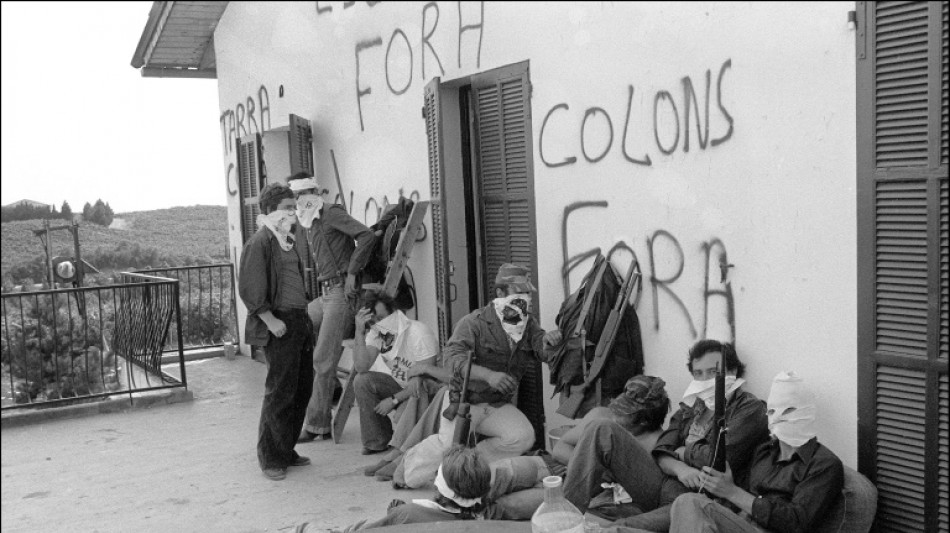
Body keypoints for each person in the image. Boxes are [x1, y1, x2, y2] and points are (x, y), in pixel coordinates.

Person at [564, 340, 769, 531]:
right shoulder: (692, 405)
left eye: (713, 372)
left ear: (732, 372)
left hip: (699, 498)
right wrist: (680, 468)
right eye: (698, 373)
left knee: (620, 527)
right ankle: (562, 514)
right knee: (602, 428)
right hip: (664, 483)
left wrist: (682, 452)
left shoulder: (749, 408)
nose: (705, 380)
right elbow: (661, 450)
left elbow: (715, 460)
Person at [400, 263, 562, 487]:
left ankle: (468, 467)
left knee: (522, 436)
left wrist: (551, 342)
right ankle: (406, 470)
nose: (525, 298)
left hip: (495, 404)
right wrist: (488, 375)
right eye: (518, 292)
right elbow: (452, 360)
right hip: (464, 401)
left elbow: (541, 348)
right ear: (500, 293)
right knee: (448, 446)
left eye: (527, 293)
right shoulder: (473, 323)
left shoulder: (525, 323)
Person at [668, 371, 844, 533]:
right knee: (684, 504)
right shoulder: (764, 452)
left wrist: (732, 492)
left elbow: (796, 522)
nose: (780, 416)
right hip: (740, 522)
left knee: (689, 502)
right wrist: (727, 487)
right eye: (773, 410)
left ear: (808, 411)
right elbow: (741, 495)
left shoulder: (824, 464)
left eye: (790, 410)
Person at [288, 172, 377, 442]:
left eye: (300, 195)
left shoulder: (330, 213)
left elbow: (366, 235)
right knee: (297, 325)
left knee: (322, 358)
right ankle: (329, 389)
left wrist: (352, 273)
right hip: (326, 294)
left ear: (311, 192)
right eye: (295, 197)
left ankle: (317, 425)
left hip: (343, 293)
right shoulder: (309, 220)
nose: (297, 201)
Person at [238, 182, 314, 481]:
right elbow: (250, 287)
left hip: (298, 321)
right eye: (286, 208)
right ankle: (271, 457)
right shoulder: (260, 242)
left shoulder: (286, 240)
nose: (292, 212)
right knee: (280, 392)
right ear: (270, 211)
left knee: (300, 389)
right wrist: (271, 321)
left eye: (293, 207)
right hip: (279, 323)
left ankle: (286, 448)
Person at [302, 445, 557, 531]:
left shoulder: (408, 515)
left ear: (439, 483)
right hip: (481, 514)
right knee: (524, 473)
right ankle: (559, 475)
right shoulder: (493, 511)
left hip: (455, 514)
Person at [352, 290, 452, 455]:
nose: (379, 323)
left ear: (394, 313)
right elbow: (361, 366)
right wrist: (359, 332)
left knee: (400, 416)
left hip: (424, 390)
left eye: (382, 318)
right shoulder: (377, 334)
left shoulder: (418, 332)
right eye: (374, 320)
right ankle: (377, 441)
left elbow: (425, 381)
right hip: (401, 385)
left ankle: (402, 449)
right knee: (362, 380)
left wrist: (393, 401)